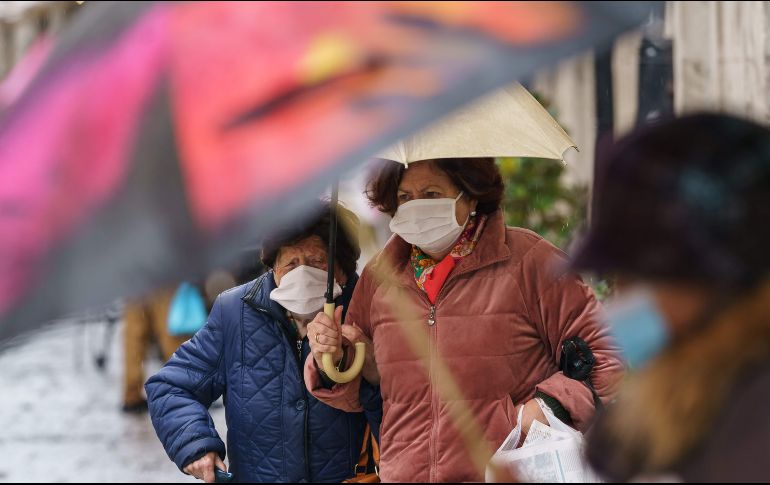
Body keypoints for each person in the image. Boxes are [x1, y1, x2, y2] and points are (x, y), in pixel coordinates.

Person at [306, 158, 623, 482]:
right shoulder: (380, 277)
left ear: (470, 196)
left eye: (431, 194)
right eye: (405, 197)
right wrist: (334, 355)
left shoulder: (530, 262)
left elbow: (608, 353)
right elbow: (359, 392)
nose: (416, 207)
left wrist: (548, 407)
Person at [571, 114, 770, 482]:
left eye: (639, 278)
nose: (621, 297)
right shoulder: (685, 382)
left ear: (718, 278)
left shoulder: (755, 416)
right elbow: (615, 451)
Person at [145, 202, 381, 483]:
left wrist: (364, 362)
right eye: (291, 264)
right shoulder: (234, 311)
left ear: (342, 268)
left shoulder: (371, 308)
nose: (302, 274)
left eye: (317, 262)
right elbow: (172, 386)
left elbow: (404, 408)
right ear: (273, 268)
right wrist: (195, 445)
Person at [122, 288, 188, 413]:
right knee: (171, 330)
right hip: (159, 277)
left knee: (134, 333)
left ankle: (132, 394)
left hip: (131, 279)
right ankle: (183, 389)